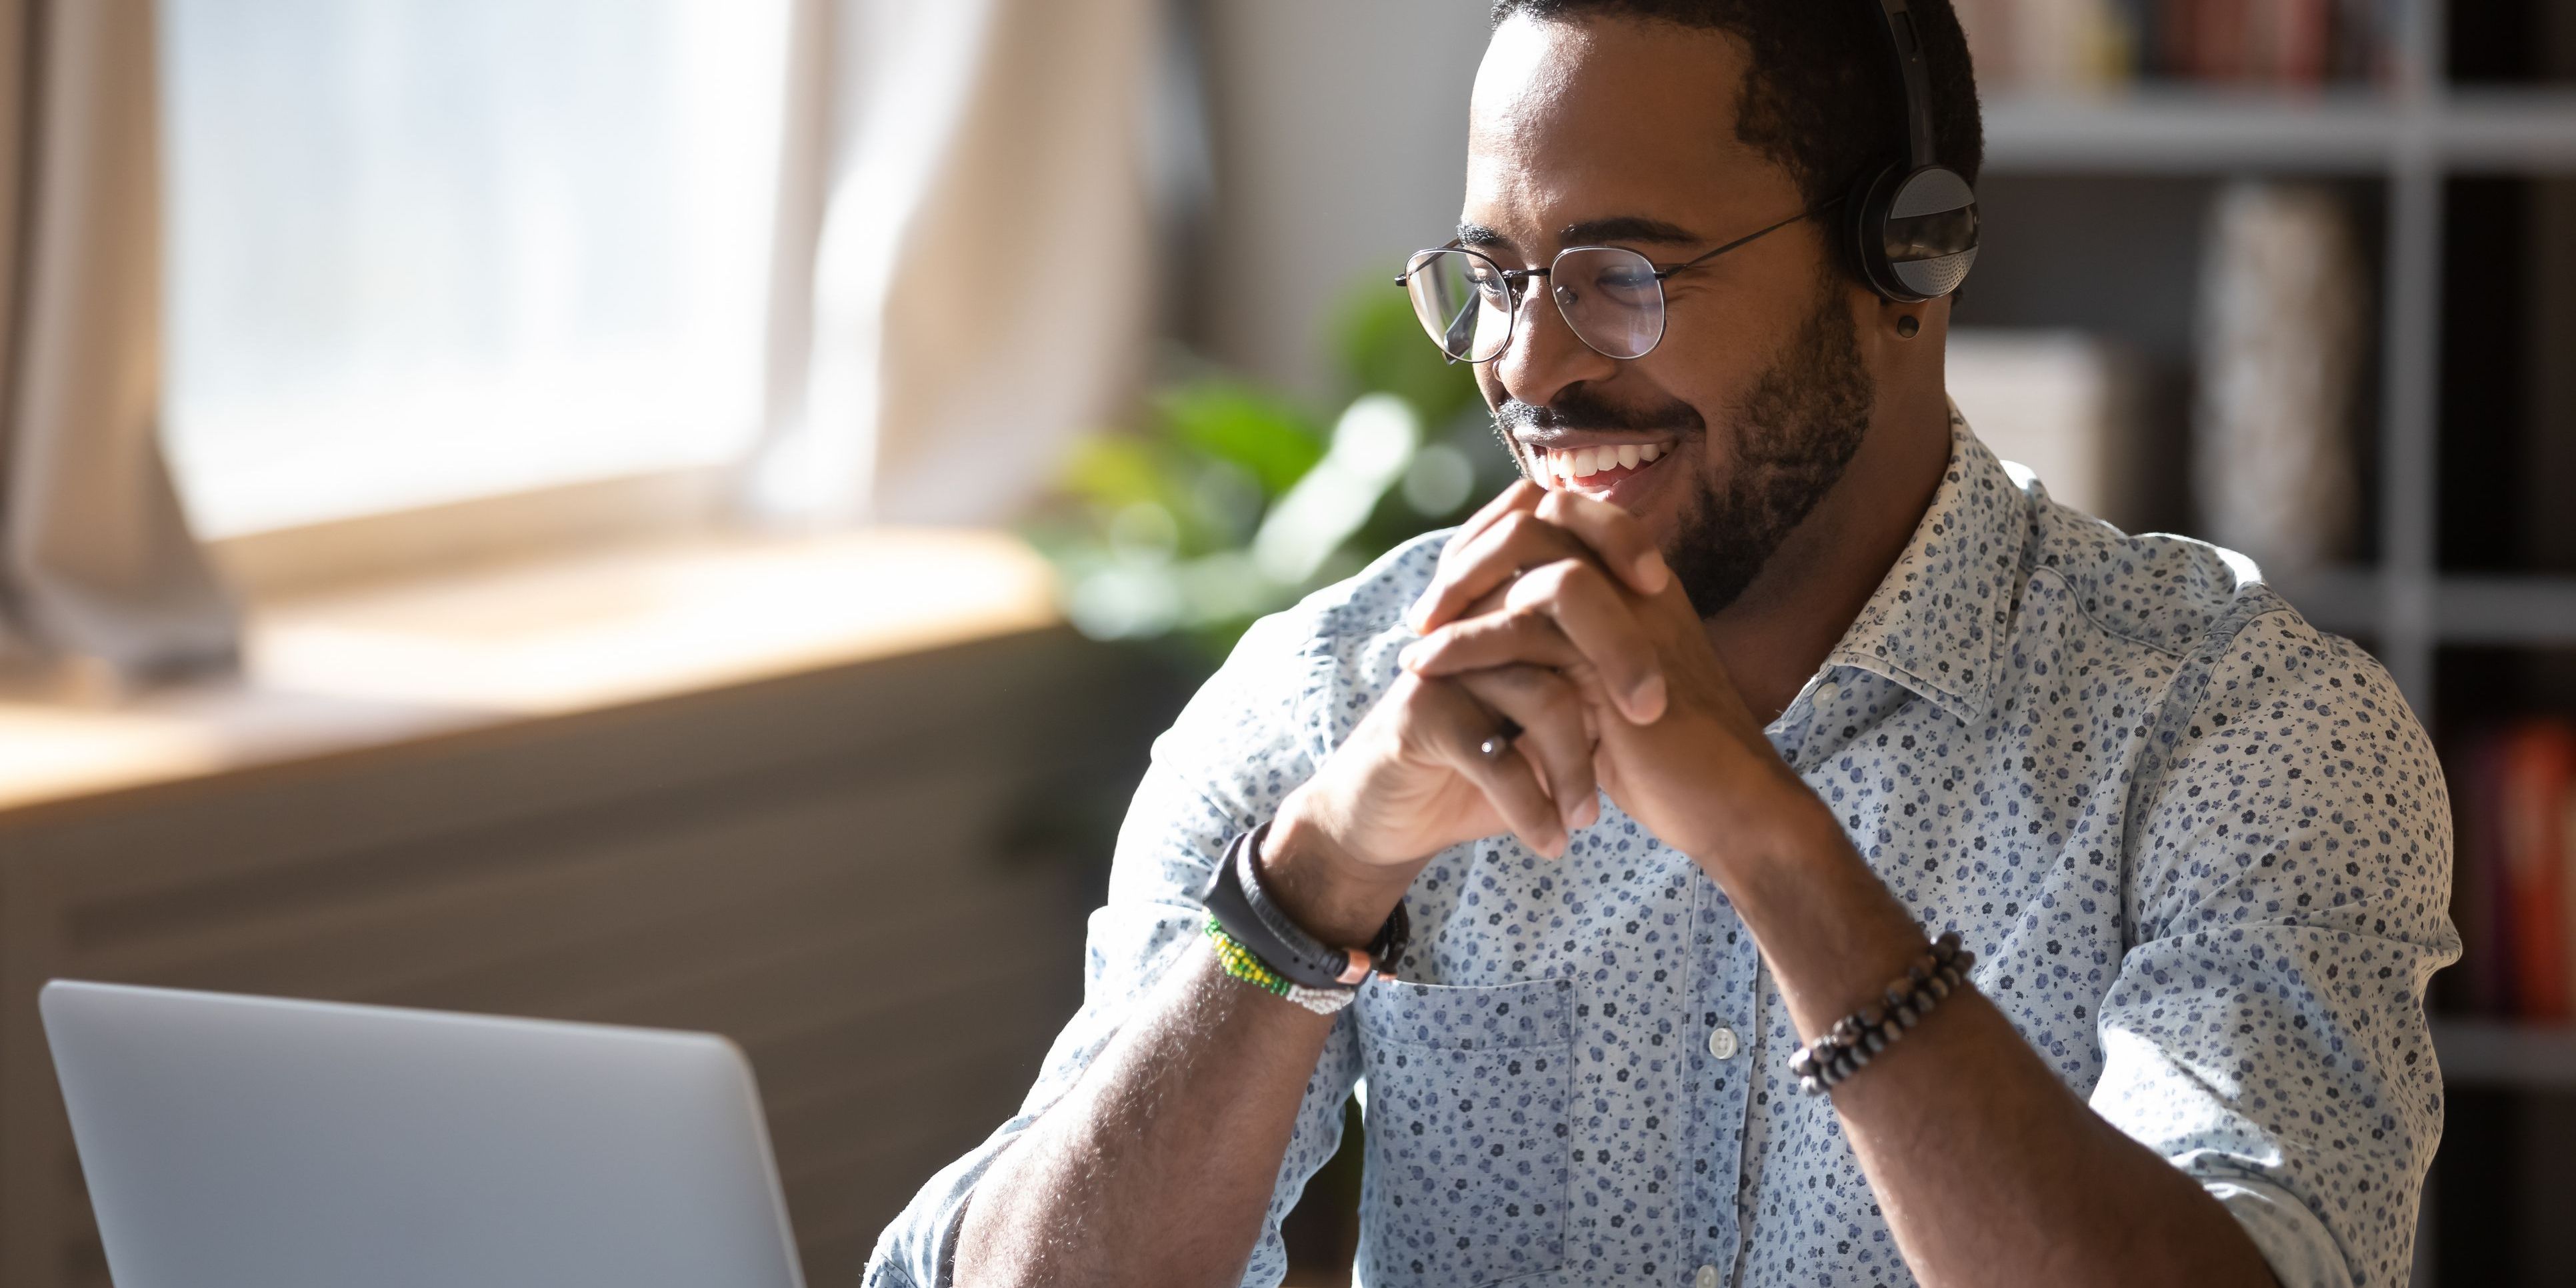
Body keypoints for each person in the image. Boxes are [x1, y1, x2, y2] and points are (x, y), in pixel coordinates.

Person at [867, 2, 2459, 1285]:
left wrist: (1774, 848)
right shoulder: (1338, 699)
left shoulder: (2243, 735)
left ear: (1908, 260)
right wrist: (1310, 890)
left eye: (1622, 273)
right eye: (1495, 275)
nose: (1529, 364)